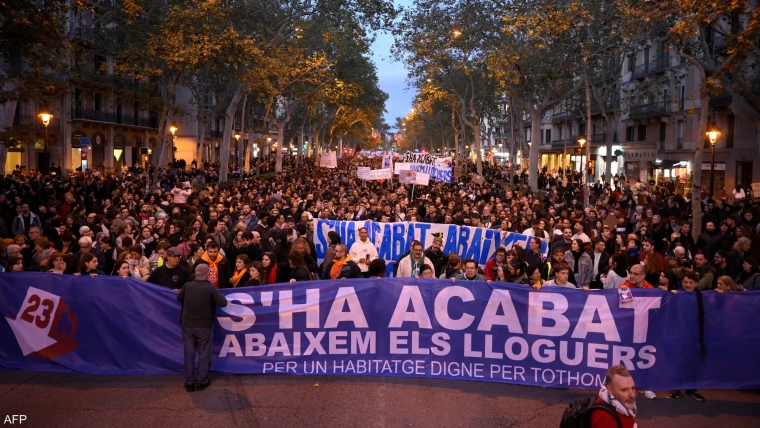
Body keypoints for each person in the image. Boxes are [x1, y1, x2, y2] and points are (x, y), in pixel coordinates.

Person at [177, 264, 228, 392]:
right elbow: (223, 302)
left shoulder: (187, 286)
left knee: (189, 353)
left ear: (195, 272)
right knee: (204, 354)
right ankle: (202, 381)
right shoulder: (210, 287)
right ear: (207, 274)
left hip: (187, 324)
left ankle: (189, 381)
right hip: (204, 325)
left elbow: (179, 298)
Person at [668, 272, 706, 402]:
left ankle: (692, 389)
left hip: (696, 335)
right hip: (679, 334)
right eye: (685, 282)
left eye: (691, 282)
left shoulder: (703, 297)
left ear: (696, 283)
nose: (688, 285)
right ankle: (677, 387)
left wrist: (721, 295)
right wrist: (669, 294)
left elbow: (717, 307)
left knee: (693, 362)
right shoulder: (676, 295)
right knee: (678, 360)